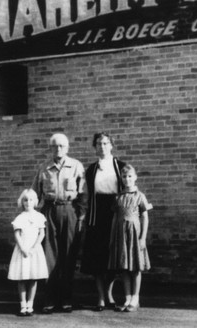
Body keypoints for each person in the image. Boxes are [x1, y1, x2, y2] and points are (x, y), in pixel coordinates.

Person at [31, 133, 87, 313]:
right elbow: (34, 194)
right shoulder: (43, 168)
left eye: (62, 146)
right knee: (49, 255)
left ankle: (66, 298)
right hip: (49, 211)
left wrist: (81, 217)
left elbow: (84, 194)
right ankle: (49, 298)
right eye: (55, 146)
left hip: (69, 210)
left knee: (68, 255)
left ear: (67, 147)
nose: (58, 149)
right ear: (50, 148)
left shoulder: (76, 166)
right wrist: (32, 217)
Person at [81, 132, 126, 311]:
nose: (102, 146)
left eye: (106, 143)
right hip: (96, 213)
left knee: (112, 256)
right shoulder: (91, 169)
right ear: (95, 147)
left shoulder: (120, 166)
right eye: (99, 143)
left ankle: (109, 294)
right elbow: (88, 194)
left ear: (112, 145)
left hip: (114, 210)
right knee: (97, 257)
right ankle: (100, 297)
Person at [108, 164, 152, 312]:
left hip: (134, 234)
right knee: (124, 267)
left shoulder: (140, 196)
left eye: (130, 176)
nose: (127, 179)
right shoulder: (118, 197)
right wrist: (112, 237)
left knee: (136, 267)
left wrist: (142, 238)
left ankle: (135, 297)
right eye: (124, 176)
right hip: (121, 235)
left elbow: (145, 218)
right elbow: (114, 218)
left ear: (135, 178)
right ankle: (127, 298)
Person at [7, 189, 49, 316]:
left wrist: (34, 247)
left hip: (34, 250)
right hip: (22, 250)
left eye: (31, 200)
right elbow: (17, 235)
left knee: (33, 278)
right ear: (22, 202)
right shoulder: (20, 218)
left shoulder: (39, 217)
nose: (28, 202)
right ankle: (23, 304)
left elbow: (42, 233)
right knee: (22, 278)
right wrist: (23, 249)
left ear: (35, 201)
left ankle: (30, 304)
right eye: (25, 200)